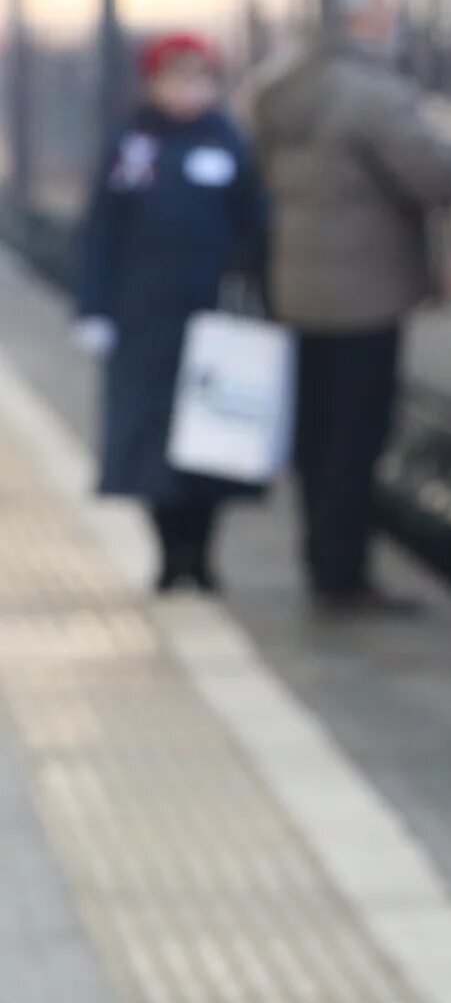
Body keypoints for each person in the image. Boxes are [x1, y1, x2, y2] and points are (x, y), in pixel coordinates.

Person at [248, 0, 451, 612]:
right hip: (365, 294)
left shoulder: (278, 83)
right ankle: (344, 577)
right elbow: (432, 178)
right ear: (363, 14)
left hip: (294, 287)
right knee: (357, 438)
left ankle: (322, 561)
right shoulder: (370, 91)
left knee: (315, 436)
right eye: (387, 4)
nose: (395, 15)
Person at [73, 34, 270, 593]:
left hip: (214, 318)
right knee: (149, 445)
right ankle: (168, 554)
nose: (188, 92)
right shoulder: (131, 148)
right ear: (154, 84)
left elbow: (258, 225)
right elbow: (101, 233)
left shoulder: (229, 144)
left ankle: (202, 555)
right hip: (144, 320)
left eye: (198, 80)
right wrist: (94, 309)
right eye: (176, 80)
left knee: (211, 446)